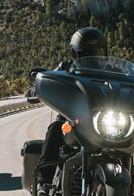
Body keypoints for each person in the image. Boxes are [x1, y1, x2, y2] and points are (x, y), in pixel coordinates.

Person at [39, 27, 108, 171]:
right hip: (71, 119)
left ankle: (127, 188)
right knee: (55, 129)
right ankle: (43, 181)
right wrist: (39, 87)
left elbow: (130, 85)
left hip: (104, 121)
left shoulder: (113, 72)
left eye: (97, 54)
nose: (93, 58)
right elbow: (50, 81)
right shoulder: (65, 69)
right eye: (87, 55)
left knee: (127, 142)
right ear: (75, 55)